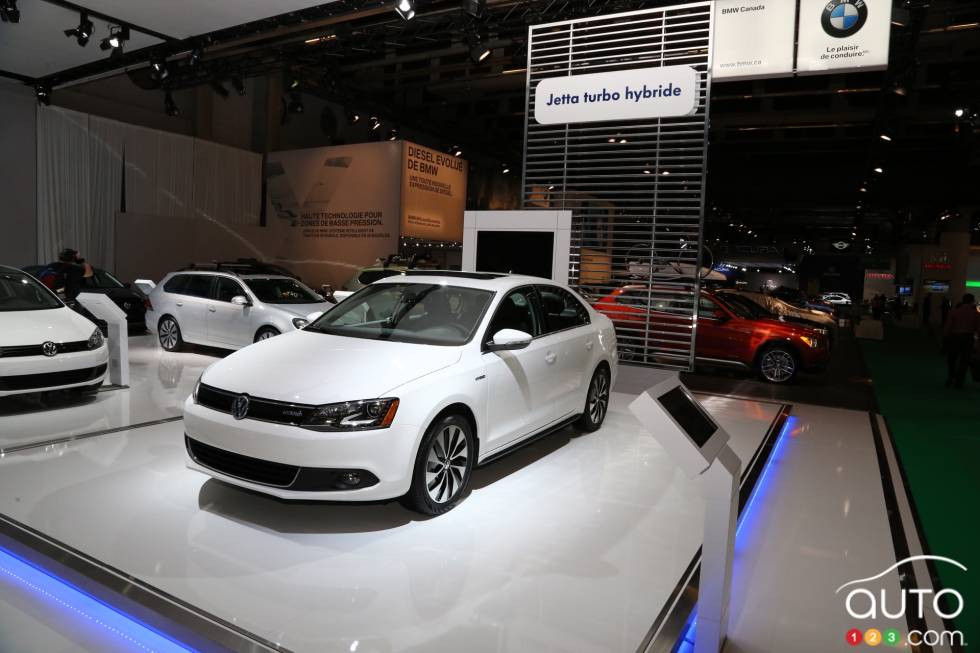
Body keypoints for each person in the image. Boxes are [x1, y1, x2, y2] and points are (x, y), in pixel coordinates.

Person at [943, 293, 980, 389]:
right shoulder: (975, 314)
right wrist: (977, 342)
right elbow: (978, 329)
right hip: (968, 338)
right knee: (964, 361)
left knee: (952, 359)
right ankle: (959, 382)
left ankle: (950, 378)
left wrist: (946, 338)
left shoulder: (954, 311)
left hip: (954, 337)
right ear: (972, 301)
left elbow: (947, 327)